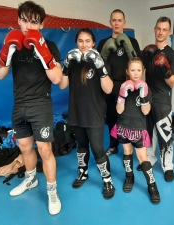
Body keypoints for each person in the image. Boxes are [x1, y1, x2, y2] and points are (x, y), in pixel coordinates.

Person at [0, 1, 62, 215]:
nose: (28, 25)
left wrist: (43, 53)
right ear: (18, 21)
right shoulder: (12, 44)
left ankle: (52, 191)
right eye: (24, 20)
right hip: (19, 104)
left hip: (40, 104)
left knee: (45, 150)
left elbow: (58, 78)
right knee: (25, 147)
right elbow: (0, 74)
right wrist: (7, 51)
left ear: (41, 24)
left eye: (34, 21)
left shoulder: (49, 45)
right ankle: (31, 180)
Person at [59, 28, 116, 199]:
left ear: (93, 43)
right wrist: (65, 65)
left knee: (98, 149)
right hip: (76, 112)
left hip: (94, 113)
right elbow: (62, 85)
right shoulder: (73, 62)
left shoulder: (99, 62)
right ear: (76, 43)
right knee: (81, 146)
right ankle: (83, 173)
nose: (84, 45)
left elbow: (109, 89)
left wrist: (100, 67)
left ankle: (108, 181)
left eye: (88, 41)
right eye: (80, 41)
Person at [111, 57, 160, 204]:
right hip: (124, 125)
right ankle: (129, 177)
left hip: (138, 128)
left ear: (143, 71)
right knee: (127, 152)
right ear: (127, 71)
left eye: (139, 70)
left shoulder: (145, 88)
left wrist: (143, 93)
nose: (136, 73)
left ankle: (152, 186)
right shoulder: (122, 86)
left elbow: (146, 112)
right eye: (133, 70)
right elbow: (119, 110)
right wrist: (122, 95)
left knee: (142, 158)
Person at [139, 17, 174, 182]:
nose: (161, 32)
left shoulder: (172, 55)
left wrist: (165, 70)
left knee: (165, 134)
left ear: (169, 32)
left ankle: (168, 166)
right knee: (147, 132)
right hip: (147, 97)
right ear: (155, 29)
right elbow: (139, 74)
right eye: (159, 29)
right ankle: (149, 159)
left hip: (162, 99)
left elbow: (172, 83)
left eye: (165, 29)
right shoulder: (148, 51)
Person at [97, 9, 141, 156]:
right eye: (114, 20)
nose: (116, 23)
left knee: (128, 115)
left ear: (124, 22)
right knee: (111, 116)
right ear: (110, 22)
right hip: (109, 84)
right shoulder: (103, 42)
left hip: (127, 84)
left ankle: (130, 147)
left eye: (119, 20)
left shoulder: (132, 42)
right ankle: (113, 144)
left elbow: (138, 64)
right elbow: (97, 64)